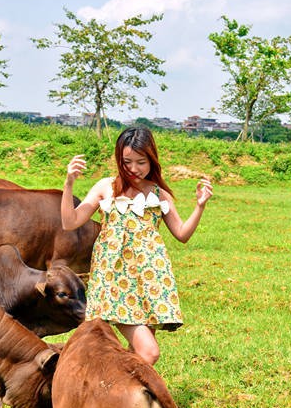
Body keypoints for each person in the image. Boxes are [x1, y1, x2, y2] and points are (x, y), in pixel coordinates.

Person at [61, 126, 213, 366]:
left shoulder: (159, 194)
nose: (134, 169)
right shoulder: (106, 188)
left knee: (136, 353)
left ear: (152, 160)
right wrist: (69, 184)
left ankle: (112, 386)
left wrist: (200, 206)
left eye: (141, 162)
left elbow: (182, 234)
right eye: (127, 162)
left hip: (150, 281)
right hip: (115, 281)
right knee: (149, 352)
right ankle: (113, 386)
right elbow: (69, 222)